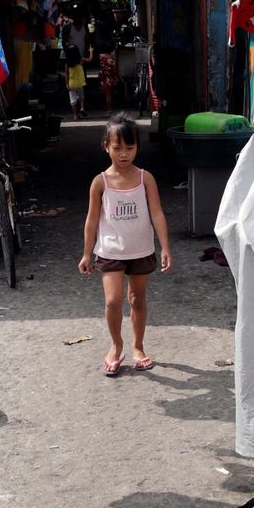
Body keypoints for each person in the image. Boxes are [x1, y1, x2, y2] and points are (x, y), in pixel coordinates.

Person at [78, 114, 172, 376]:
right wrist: (87, 253)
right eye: (117, 148)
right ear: (106, 146)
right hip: (110, 250)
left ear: (137, 148)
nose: (123, 154)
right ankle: (116, 345)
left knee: (137, 299)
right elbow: (92, 220)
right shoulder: (100, 182)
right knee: (113, 301)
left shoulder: (145, 178)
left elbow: (157, 214)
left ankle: (138, 347)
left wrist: (164, 247)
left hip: (141, 249)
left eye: (129, 148)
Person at [65, 42, 88, 118]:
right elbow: (90, 59)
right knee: (81, 97)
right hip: (80, 83)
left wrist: (66, 84)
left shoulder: (67, 64)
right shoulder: (80, 61)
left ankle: (75, 115)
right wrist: (91, 51)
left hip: (71, 84)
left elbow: (66, 75)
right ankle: (82, 108)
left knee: (73, 100)